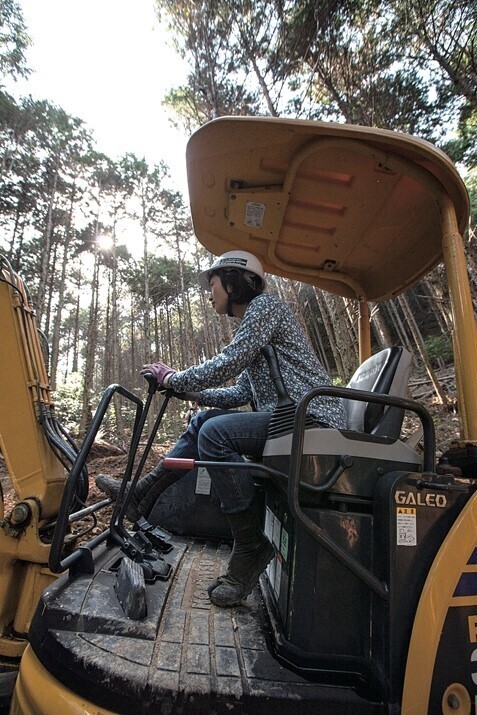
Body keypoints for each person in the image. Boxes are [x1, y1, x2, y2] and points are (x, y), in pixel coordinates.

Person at [96, 250, 346, 607]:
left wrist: (174, 377)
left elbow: (229, 362)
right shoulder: (256, 327)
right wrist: (190, 392)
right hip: (288, 420)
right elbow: (241, 391)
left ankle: (250, 546)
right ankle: (143, 493)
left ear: (233, 281)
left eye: (212, 284)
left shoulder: (265, 308)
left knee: (216, 433)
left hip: (311, 418)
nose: (209, 293)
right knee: (205, 421)